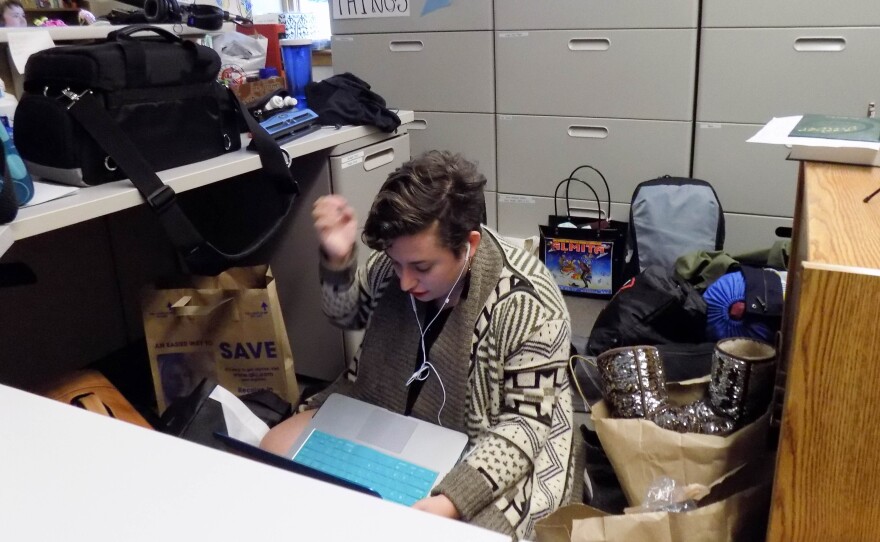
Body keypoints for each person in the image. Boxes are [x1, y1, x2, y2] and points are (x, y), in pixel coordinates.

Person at [261, 150, 579, 540]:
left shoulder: (529, 303)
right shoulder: (395, 265)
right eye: (397, 264)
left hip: (489, 436)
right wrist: (337, 259)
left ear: (469, 244)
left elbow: (525, 425)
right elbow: (346, 315)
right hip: (382, 404)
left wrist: (451, 500)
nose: (405, 282)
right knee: (274, 450)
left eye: (422, 268)